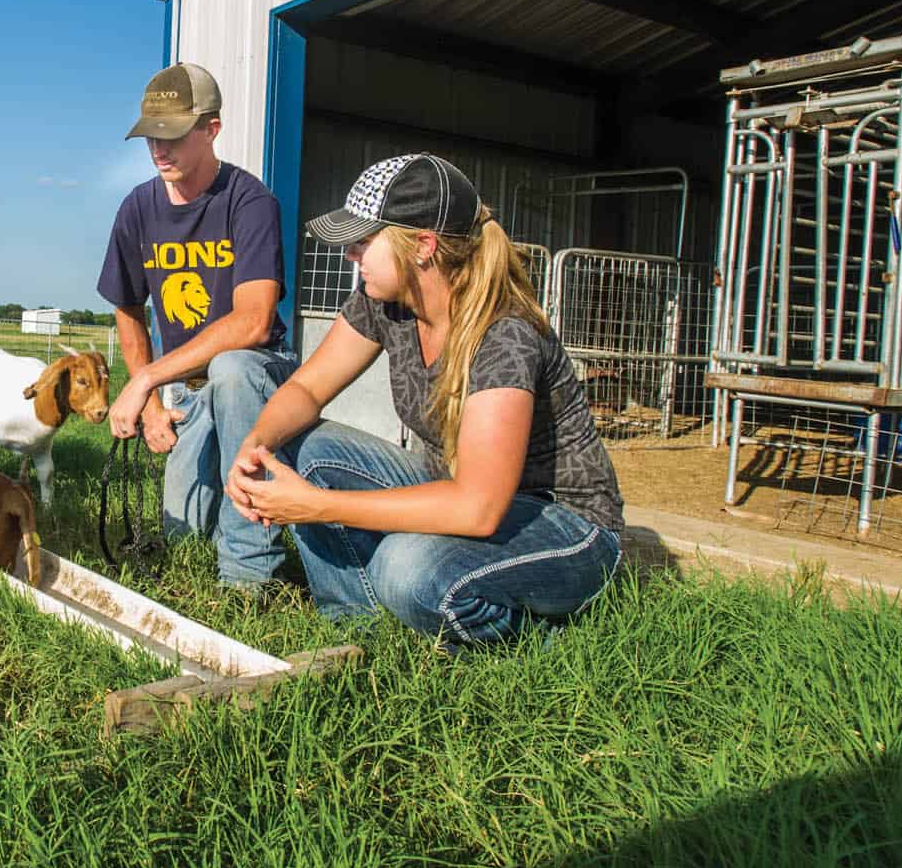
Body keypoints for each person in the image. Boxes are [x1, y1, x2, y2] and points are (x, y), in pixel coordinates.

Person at [223, 153, 623, 645]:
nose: (350, 254)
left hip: (561, 522)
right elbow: (306, 388)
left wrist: (315, 506)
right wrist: (256, 443)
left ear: (422, 247)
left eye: (362, 242)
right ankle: (361, 635)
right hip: (456, 488)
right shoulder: (384, 302)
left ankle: (545, 641)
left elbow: (479, 508)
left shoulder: (505, 335)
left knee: (405, 568)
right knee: (304, 446)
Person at [97, 62, 298, 590]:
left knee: (231, 368)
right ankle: (202, 563)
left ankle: (250, 578)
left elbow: (254, 321)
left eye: (173, 136)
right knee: (181, 536)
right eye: (150, 138)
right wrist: (156, 405)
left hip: (254, 380)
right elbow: (127, 307)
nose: (158, 150)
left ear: (211, 130)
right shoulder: (138, 208)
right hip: (185, 393)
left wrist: (142, 381)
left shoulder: (249, 201)